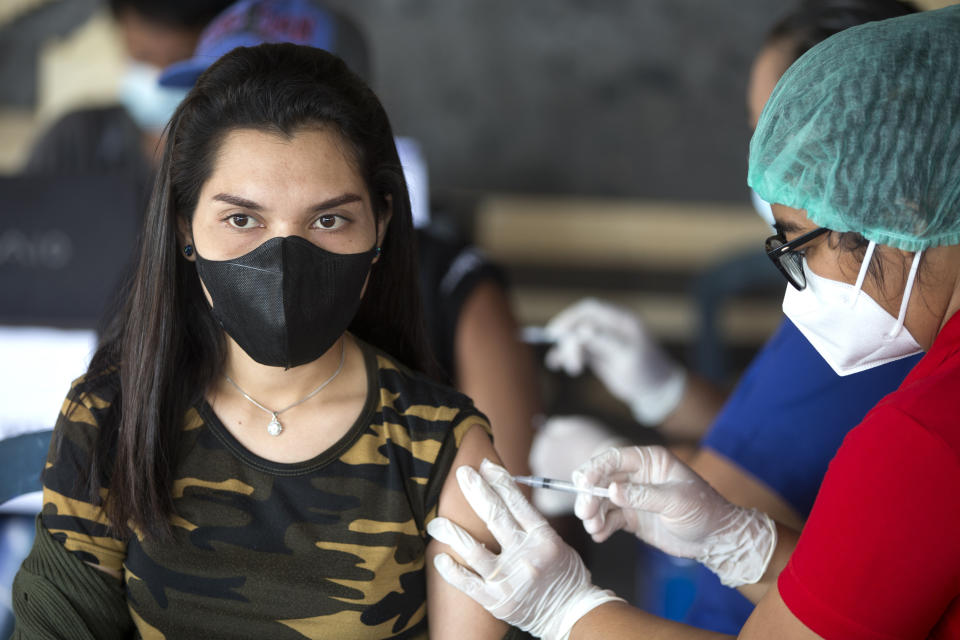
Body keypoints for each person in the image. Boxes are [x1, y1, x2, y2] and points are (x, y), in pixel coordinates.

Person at [428, 6, 960, 638]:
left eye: (800, 242)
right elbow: (866, 600)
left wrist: (569, 611)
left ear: (904, 207)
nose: (799, 283)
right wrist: (739, 542)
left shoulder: (927, 433)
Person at [9, 42, 558, 639]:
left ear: (381, 227)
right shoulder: (113, 416)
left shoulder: (442, 455)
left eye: (328, 220)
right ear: (183, 226)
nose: (283, 262)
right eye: (242, 219)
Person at [157, 0, 538, 486]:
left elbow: (504, 495)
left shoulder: (446, 289)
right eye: (211, 95)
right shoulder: (162, 297)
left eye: (329, 220)